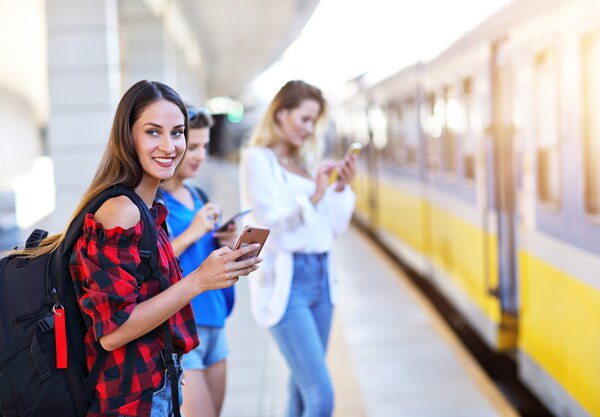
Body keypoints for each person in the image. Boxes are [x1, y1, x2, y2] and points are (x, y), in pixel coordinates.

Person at [20, 80, 262, 417]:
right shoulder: (121, 210)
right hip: (129, 401)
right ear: (127, 137)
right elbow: (113, 331)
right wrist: (198, 280)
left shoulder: (147, 207)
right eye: (153, 132)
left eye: (177, 132)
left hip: (154, 387)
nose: (169, 145)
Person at [239, 80, 357, 417]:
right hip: (289, 285)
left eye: (314, 122)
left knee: (302, 391)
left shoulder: (305, 162)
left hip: (322, 279)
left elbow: (335, 228)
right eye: (305, 119)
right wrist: (315, 195)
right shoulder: (257, 159)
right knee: (322, 397)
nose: (309, 129)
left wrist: (340, 187)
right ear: (281, 113)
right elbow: (272, 227)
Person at [159, 105, 236, 417]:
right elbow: (151, 264)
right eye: (192, 147)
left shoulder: (199, 195)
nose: (199, 155)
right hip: (183, 331)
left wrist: (224, 241)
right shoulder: (155, 202)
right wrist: (193, 232)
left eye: (204, 146)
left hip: (216, 322)